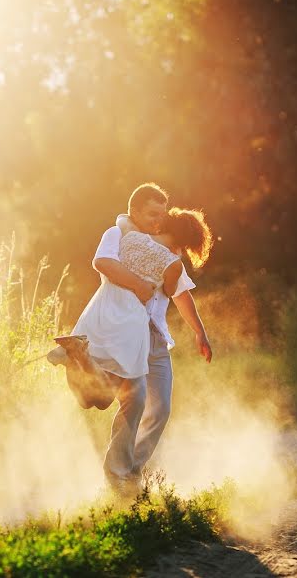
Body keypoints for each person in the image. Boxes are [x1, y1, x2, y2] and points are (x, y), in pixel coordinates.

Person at [72, 183, 213, 493]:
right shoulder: (123, 237)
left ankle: (131, 470)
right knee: (131, 400)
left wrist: (199, 331)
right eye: (152, 214)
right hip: (125, 332)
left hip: (156, 338)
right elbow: (104, 264)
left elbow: (181, 294)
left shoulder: (166, 250)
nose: (158, 220)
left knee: (160, 408)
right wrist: (138, 285)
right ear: (135, 211)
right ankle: (118, 473)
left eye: (162, 215)